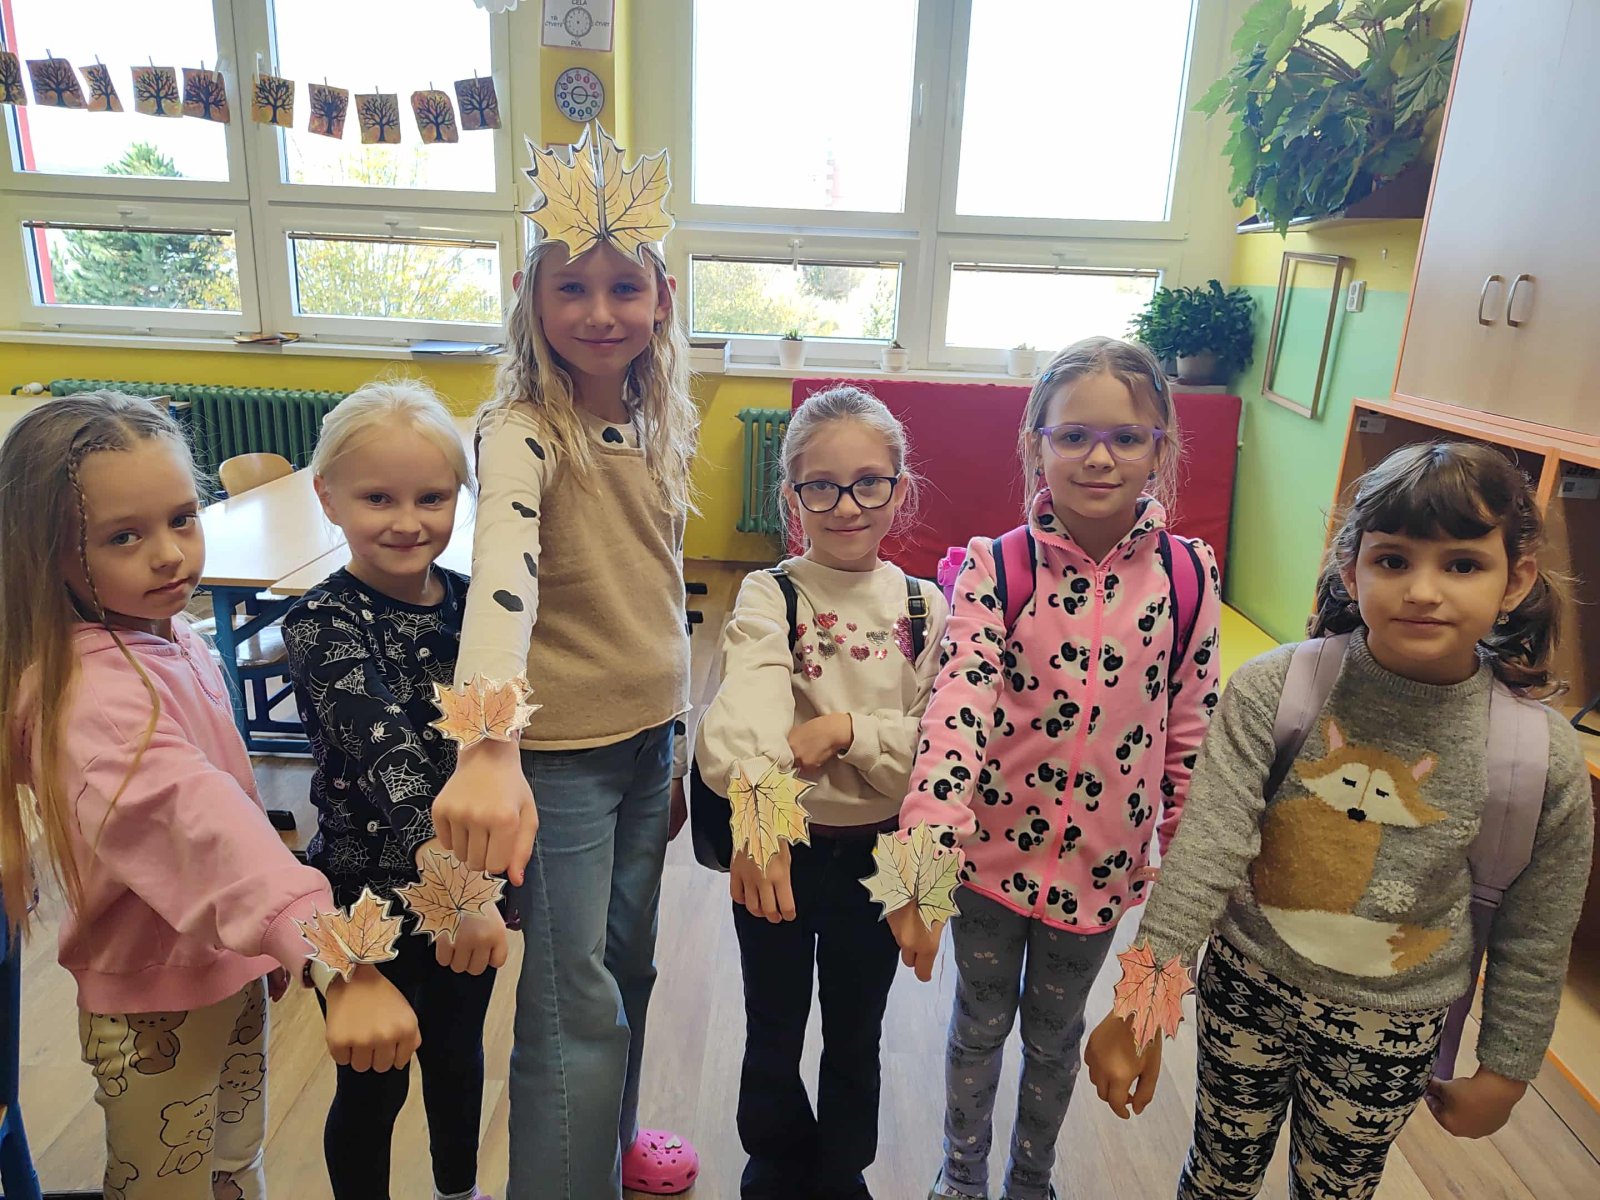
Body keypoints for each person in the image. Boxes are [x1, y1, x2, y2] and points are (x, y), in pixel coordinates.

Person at [1087, 440, 1593, 1199]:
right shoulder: (1274, 690)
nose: (1423, 590)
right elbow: (1206, 850)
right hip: (1248, 988)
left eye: (1462, 564)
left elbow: (1539, 926)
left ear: (1515, 579)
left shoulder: (1539, 753)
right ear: (1351, 569)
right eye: (1393, 560)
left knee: (1337, 1190)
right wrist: (1143, 1001)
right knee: (1217, 1173)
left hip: (1394, 1029)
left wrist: (1508, 1068)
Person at [0, 392, 418, 1200]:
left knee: (230, 1166)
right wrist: (324, 949)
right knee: (170, 1183)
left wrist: (260, 944)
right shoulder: (93, 696)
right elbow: (196, 820)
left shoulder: (171, 638)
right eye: (124, 537)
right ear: (43, 552)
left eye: (182, 519)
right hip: (154, 1004)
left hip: (221, 967)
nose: (169, 555)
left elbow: (229, 800)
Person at [427, 126, 702, 1198]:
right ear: (529, 298)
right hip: (562, 759)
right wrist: (489, 742)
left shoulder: (655, 420)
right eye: (572, 287)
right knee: (569, 999)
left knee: (627, 968)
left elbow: (658, 595)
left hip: (647, 745)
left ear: (661, 299)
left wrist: (677, 743)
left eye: (624, 286)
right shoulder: (521, 429)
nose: (599, 312)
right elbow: (504, 578)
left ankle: (597, 1156)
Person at [898, 337, 1223, 1200]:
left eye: (1126, 437)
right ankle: (961, 1178)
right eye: (1073, 435)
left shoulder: (1187, 577)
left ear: (1160, 448)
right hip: (986, 865)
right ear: (1035, 444)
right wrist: (922, 866)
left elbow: (1194, 747)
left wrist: (1164, 971)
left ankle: (1030, 1183)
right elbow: (955, 716)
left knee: (1055, 1040)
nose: (1099, 458)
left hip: (1101, 876)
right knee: (977, 1026)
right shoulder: (996, 566)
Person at [697, 385, 949, 1199]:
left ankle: (842, 1168)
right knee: (773, 1019)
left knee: (857, 1027)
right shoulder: (772, 592)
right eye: (821, 487)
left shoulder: (925, 606)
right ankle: (773, 1159)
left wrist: (845, 730)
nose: (846, 506)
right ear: (791, 495)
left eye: (869, 483)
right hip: (782, 845)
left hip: (885, 855)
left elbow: (938, 758)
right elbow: (749, 706)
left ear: (900, 490)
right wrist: (760, 818)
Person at [285, 379, 500, 1200]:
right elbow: (389, 757)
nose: (408, 521)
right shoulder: (320, 622)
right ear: (329, 498)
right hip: (354, 894)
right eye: (378, 498)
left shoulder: (475, 610)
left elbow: (499, 736)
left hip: (465, 885)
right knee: (371, 1086)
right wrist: (456, 886)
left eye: (432, 498)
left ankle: (456, 1190)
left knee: (457, 1059)